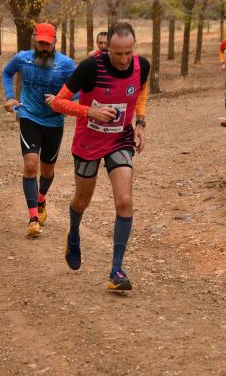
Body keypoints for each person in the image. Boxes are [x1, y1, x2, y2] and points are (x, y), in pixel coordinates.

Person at [45, 22, 150, 292]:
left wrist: (140, 123)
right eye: (117, 53)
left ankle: (116, 270)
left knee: (125, 201)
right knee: (82, 201)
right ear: (107, 49)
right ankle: (74, 233)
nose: (124, 59)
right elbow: (58, 102)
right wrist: (90, 111)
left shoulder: (142, 66)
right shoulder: (91, 67)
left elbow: (142, 91)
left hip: (120, 139)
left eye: (128, 52)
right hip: (89, 142)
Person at [2, 23, 77, 237]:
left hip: (54, 122)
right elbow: (7, 72)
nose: (43, 47)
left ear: (55, 41)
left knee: (47, 170)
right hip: (29, 116)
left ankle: (42, 197)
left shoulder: (66, 65)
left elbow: (81, 89)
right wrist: (9, 97)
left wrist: (62, 100)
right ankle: (33, 218)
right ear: (35, 40)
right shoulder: (22, 58)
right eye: (40, 42)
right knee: (31, 164)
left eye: (47, 43)